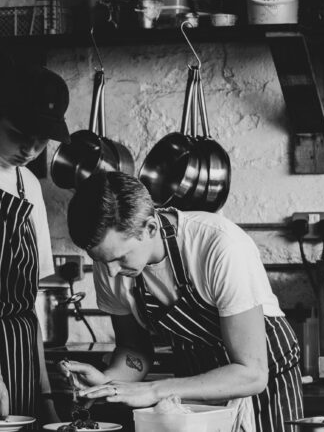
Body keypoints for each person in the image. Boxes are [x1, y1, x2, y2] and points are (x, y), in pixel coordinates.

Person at [61, 171, 303, 432]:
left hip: (264, 384)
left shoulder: (219, 246)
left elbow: (252, 373)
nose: (110, 273)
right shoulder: (111, 263)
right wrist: (107, 382)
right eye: (101, 261)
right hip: (195, 386)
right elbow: (133, 349)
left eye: (121, 258)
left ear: (151, 227)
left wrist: (154, 390)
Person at [0, 60, 71, 423]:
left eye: (41, 139)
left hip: (22, 363)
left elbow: (29, 307)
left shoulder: (29, 186)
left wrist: (44, 396)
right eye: (18, 133)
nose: (29, 149)